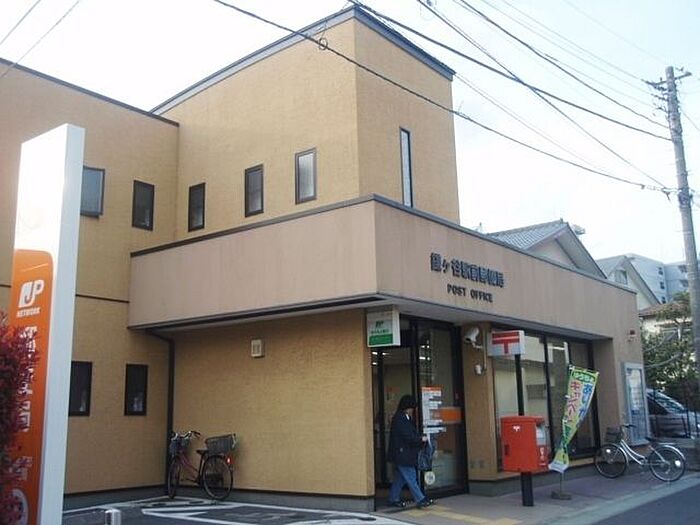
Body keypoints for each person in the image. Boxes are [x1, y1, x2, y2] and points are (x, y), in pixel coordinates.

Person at [387, 394, 434, 508]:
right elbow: (407, 436)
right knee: (411, 476)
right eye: (412, 408)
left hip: (403, 453)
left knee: (401, 478)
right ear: (407, 407)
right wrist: (420, 439)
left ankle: (393, 498)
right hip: (403, 454)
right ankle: (420, 499)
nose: (413, 410)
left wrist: (419, 438)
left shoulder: (403, 417)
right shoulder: (400, 419)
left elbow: (409, 435)